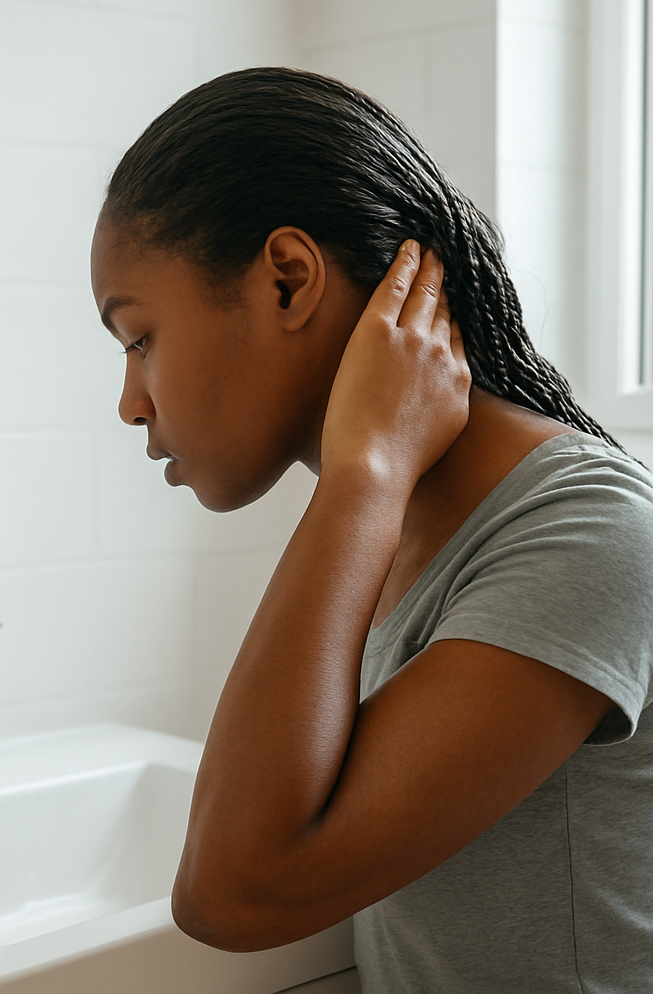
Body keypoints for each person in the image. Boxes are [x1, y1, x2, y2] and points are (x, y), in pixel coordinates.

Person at [90, 67, 653, 992]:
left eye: (139, 337)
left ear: (288, 278)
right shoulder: (394, 529)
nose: (129, 402)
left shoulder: (589, 530)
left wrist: (367, 472)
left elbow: (235, 892)